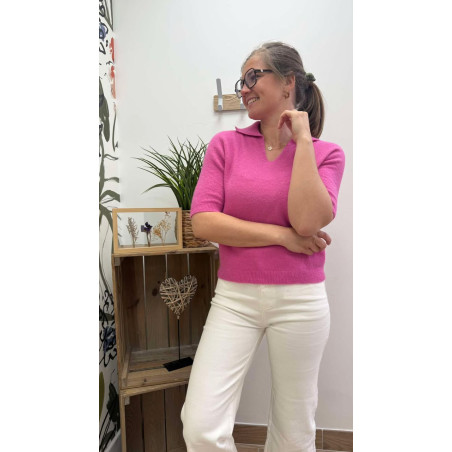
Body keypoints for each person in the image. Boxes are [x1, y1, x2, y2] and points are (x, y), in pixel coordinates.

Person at [180, 41, 345, 452]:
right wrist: (282, 236)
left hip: (301, 301)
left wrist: (303, 141)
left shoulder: (327, 154)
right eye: (242, 79)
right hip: (234, 298)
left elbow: (307, 221)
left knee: (293, 434)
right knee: (201, 427)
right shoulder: (225, 145)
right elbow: (204, 221)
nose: (244, 87)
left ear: (288, 82)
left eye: (253, 76)